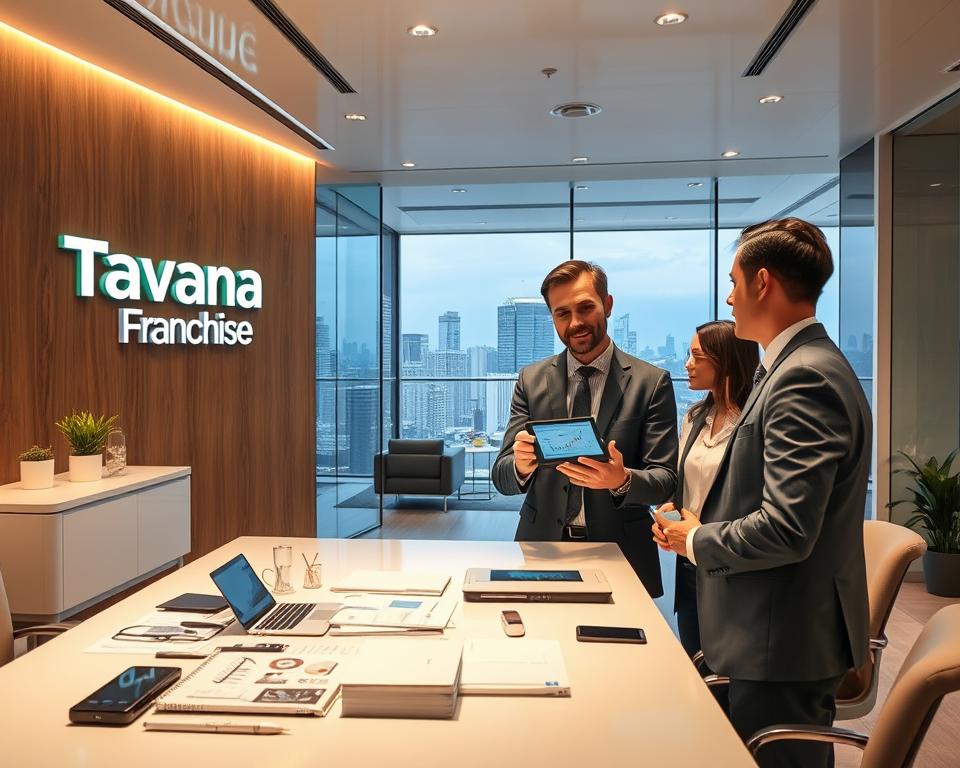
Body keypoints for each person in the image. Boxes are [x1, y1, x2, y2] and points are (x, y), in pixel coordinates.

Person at [654, 218, 870, 768]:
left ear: (763, 283)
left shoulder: (805, 377)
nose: (728, 297)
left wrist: (696, 538)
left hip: (781, 641)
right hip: (771, 631)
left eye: (733, 282)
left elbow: (788, 528)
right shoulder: (793, 368)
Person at [492, 259, 678, 597]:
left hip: (621, 552)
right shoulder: (531, 380)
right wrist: (518, 466)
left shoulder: (651, 383)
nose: (575, 322)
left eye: (585, 307)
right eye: (562, 313)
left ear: (607, 305)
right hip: (541, 549)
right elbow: (502, 476)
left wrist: (621, 480)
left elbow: (666, 480)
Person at [656, 320, 758, 658]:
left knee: (727, 670)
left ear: (725, 360)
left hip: (731, 563)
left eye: (697, 356)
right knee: (695, 661)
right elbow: (684, 481)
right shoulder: (694, 416)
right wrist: (668, 517)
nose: (687, 364)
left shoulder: (753, 423)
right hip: (689, 562)